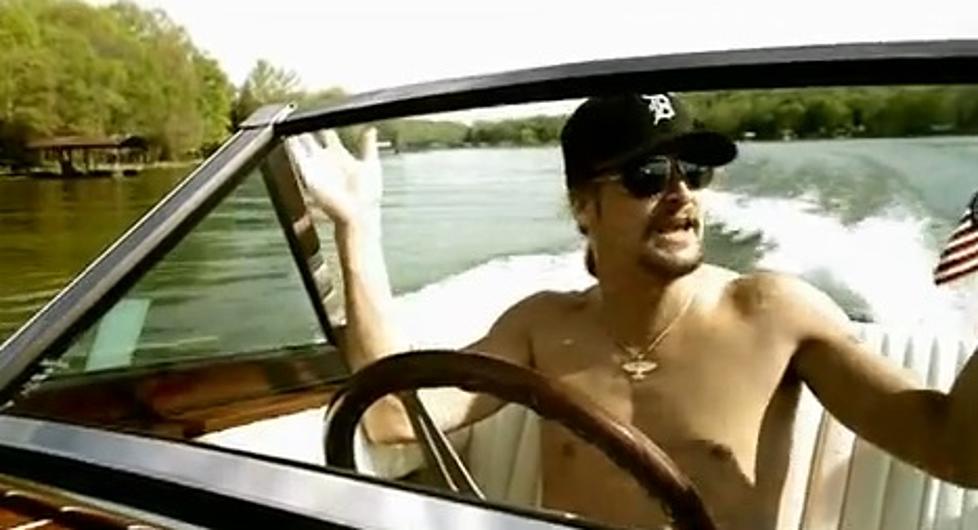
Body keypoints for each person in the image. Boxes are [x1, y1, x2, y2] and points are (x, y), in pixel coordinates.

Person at [286, 93, 978, 530]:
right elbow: (391, 416)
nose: (682, 196)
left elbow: (958, 449)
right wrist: (357, 227)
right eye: (648, 177)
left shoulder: (774, 314)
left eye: (694, 172)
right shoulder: (539, 327)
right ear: (583, 206)